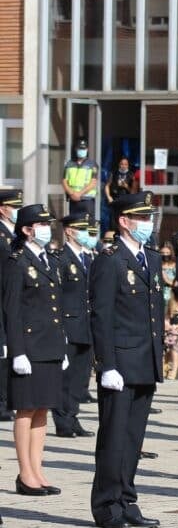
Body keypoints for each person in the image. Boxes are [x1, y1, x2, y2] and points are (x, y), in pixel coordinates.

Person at [89, 191, 164, 528]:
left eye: (150, 218)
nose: (148, 224)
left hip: (144, 361)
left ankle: (127, 499)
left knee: (133, 438)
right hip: (120, 363)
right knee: (114, 437)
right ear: (124, 221)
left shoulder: (151, 258)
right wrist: (106, 365)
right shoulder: (110, 259)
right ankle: (107, 504)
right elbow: (101, 316)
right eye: (142, 218)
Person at [3, 204, 67, 497]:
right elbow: (12, 310)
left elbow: (56, 307)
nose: (46, 228)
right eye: (40, 225)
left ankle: (37, 470)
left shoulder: (49, 259)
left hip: (49, 345)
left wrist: (61, 344)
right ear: (27, 230)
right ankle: (25, 473)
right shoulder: (16, 261)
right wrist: (17, 351)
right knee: (26, 409)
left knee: (42, 408)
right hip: (28, 347)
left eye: (48, 224)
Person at [50, 213, 95, 438]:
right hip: (69, 325)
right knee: (65, 378)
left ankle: (73, 415)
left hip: (86, 326)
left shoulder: (89, 259)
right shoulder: (61, 258)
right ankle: (62, 420)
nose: (86, 233)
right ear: (69, 231)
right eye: (81, 229)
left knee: (80, 377)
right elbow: (56, 296)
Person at [0, 190, 23, 422]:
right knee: (2, 350)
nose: (17, 210)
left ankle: (6, 400)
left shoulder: (14, 234)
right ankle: (2, 402)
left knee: (8, 348)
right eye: (13, 206)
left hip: (11, 296)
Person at [62, 138, 98, 216]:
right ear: (76, 149)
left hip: (87, 201)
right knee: (73, 225)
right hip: (73, 200)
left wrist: (79, 194)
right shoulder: (69, 163)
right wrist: (71, 193)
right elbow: (64, 181)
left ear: (87, 149)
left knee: (87, 225)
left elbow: (93, 182)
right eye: (80, 148)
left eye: (83, 148)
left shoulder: (92, 164)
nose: (82, 150)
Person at [164, 291, 178, 380]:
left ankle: (175, 368)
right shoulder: (171, 303)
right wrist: (169, 326)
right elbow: (167, 320)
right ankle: (173, 367)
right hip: (172, 332)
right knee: (173, 339)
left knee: (175, 340)